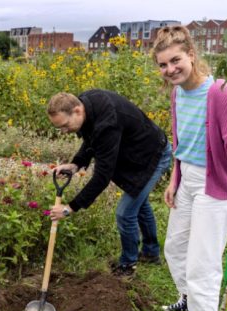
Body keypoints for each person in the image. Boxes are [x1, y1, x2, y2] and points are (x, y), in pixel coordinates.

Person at [152, 26, 227, 311]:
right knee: (174, 246)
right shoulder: (176, 94)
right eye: (163, 65)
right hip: (188, 181)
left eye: (175, 60)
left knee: (203, 261)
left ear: (191, 55)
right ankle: (189, 298)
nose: (170, 69)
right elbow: (180, 141)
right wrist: (175, 180)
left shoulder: (219, 92)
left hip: (216, 184)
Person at [47, 90, 172, 276]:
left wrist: (70, 208)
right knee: (140, 202)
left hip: (153, 155)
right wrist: (76, 163)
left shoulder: (107, 123)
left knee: (125, 213)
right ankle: (151, 253)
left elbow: (102, 176)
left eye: (65, 125)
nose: (64, 131)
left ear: (77, 111)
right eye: (59, 128)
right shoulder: (86, 105)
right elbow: (91, 138)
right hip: (134, 154)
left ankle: (128, 264)